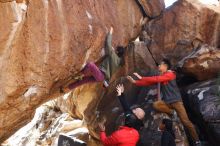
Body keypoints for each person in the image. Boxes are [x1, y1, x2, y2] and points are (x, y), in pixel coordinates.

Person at [126, 58, 201, 146]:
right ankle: (172, 112)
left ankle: (197, 140)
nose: (158, 66)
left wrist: (142, 77)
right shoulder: (162, 76)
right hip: (168, 103)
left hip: (177, 102)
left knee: (186, 122)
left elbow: (156, 79)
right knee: (156, 104)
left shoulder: (170, 74)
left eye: (160, 64)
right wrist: (135, 82)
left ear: (165, 66)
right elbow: (149, 83)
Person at [61, 27, 124, 92]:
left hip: (100, 74)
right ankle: (66, 89)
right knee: (83, 80)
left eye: (116, 49)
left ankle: (80, 74)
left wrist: (110, 32)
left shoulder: (113, 55)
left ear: (117, 52)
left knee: (90, 65)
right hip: (101, 78)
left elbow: (108, 43)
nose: (115, 49)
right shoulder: (118, 63)